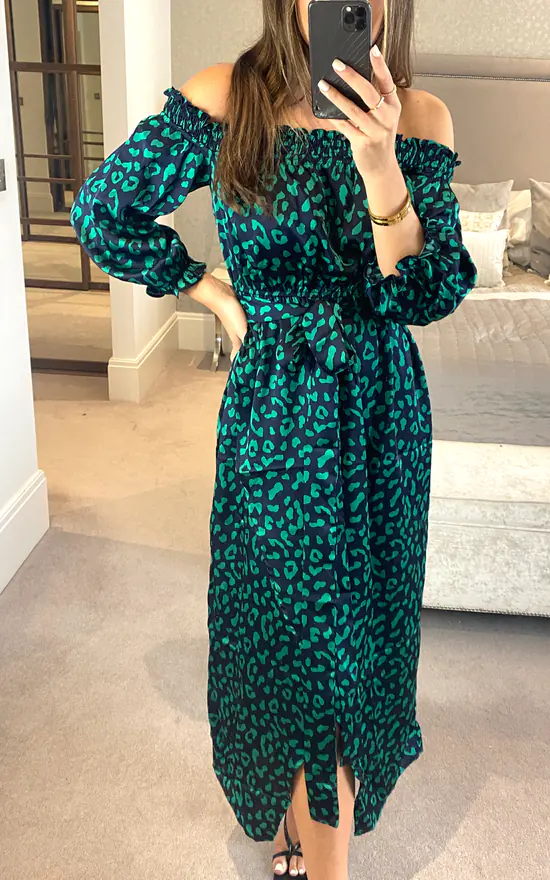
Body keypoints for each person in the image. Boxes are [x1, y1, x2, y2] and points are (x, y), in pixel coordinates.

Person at [71, 0, 477, 877]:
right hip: (277, 414)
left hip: (381, 414)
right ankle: (317, 840)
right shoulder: (226, 99)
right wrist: (208, 290)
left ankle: (314, 835)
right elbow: (103, 212)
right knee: (291, 636)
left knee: (361, 636)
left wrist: (380, 160)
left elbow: (429, 292)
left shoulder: (422, 118)